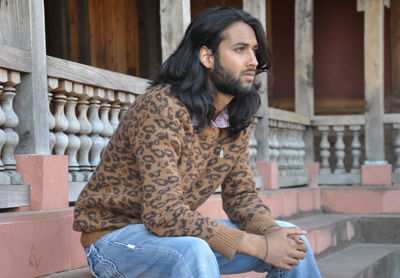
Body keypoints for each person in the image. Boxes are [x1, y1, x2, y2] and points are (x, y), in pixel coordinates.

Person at [73, 6, 321, 278]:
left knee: (295, 243)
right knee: (194, 250)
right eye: (240, 49)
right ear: (207, 56)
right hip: (114, 239)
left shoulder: (233, 117)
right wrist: (259, 246)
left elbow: (241, 196)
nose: (253, 60)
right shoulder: (161, 107)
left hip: (168, 235)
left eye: (254, 50)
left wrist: (272, 235)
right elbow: (164, 214)